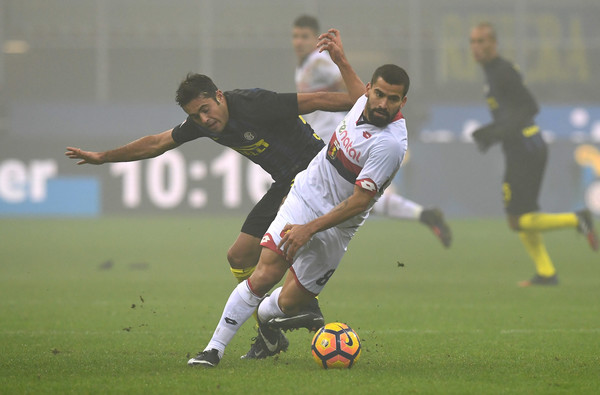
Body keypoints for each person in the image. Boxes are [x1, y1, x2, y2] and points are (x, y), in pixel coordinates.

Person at [66, 63, 364, 319]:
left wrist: (366, 105)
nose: (203, 120)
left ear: (219, 96)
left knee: (285, 237)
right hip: (285, 180)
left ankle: (301, 305)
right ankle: (270, 324)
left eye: (205, 110)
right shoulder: (204, 124)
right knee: (238, 256)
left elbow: (319, 99)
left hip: (314, 174)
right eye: (195, 116)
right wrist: (104, 157)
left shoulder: (254, 103)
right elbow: (157, 143)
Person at [188, 29, 409, 367]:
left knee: (287, 304)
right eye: (378, 94)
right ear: (369, 91)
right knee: (264, 274)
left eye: (392, 99)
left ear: (402, 103)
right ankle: (213, 350)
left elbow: (359, 203)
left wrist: (310, 229)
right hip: (305, 195)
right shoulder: (365, 102)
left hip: (337, 227)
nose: (382, 103)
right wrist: (341, 60)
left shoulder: (389, 145)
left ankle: (266, 325)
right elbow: (355, 95)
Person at [292, 14, 452, 248]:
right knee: (366, 198)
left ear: (314, 38)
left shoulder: (320, 63)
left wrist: (344, 70)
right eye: (295, 36)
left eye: (305, 37)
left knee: (359, 198)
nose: (299, 42)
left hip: (332, 140)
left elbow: (354, 91)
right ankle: (425, 214)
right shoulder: (305, 64)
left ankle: (295, 237)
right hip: (323, 138)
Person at [469, 22, 598, 287]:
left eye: (482, 41)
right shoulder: (493, 73)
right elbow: (512, 114)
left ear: (494, 43)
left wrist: (495, 132)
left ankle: (577, 219)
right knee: (520, 216)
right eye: (473, 41)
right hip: (522, 147)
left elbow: (529, 107)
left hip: (526, 147)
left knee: (518, 219)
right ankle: (546, 273)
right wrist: (493, 131)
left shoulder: (502, 72)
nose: (477, 47)